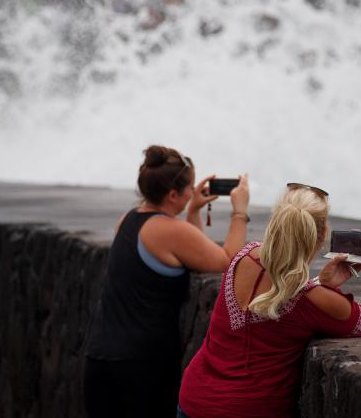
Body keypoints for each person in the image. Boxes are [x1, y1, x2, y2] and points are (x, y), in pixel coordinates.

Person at [178, 183, 361, 418]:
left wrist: (321, 284)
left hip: (195, 400)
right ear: (321, 236)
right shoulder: (315, 300)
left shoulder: (242, 258)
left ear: (275, 223)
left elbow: (279, 293)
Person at [83, 145, 251, 418]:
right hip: (141, 367)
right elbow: (229, 261)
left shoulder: (127, 220)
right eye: (189, 189)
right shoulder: (170, 231)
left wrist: (193, 212)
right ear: (173, 195)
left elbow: (192, 254)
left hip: (100, 358)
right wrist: (239, 211)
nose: (192, 192)